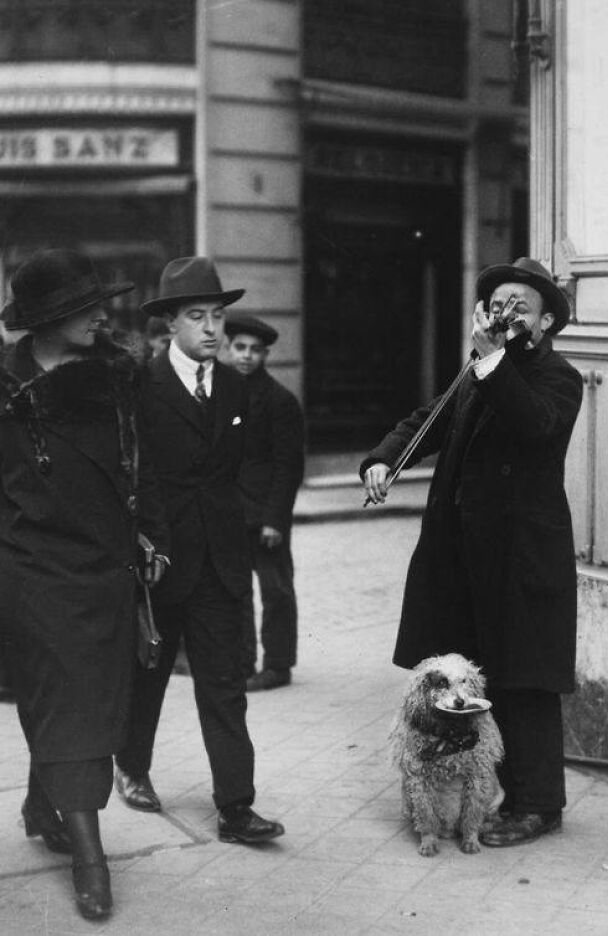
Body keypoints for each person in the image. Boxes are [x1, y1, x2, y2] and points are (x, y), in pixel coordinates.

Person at [361, 258, 583, 847]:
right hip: (464, 557)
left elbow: (534, 425)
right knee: (481, 677)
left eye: (522, 307)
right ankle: (489, 790)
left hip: (521, 558)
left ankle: (539, 805)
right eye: (500, 302)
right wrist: (384, 457)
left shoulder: (555, 376)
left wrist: (490, 362)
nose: (507, 313)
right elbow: (425, 422)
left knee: (523, 682)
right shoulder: (479, 373)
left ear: (545, 326)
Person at [0, 249, 169, 920]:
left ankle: (44, 804)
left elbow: (145, 466)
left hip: (109, 570)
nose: (106, 314)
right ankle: (90, 858)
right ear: (47, 320)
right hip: (32, 570)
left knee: (90, 702)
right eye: (88, 306)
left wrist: (152, 532)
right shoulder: (4, 390)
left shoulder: (121, 381)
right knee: (69, 699)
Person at [114, 257, 285, 845]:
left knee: (225, 685)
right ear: (169, 324)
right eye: (197, 317)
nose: (212, 328)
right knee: (151, 676)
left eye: (217, 315)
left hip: (222, 560)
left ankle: (236, 807)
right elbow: (139, 474)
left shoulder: (238, 386)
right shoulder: (144, 386)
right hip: (161, 560)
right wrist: (149, 540)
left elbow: (248, 465)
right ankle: (131, 766)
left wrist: (244, 517)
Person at [221, 313, 304, 691]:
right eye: (240, 348)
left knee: (276, 592)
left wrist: (275, 519)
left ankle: (278, 665)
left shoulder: (280, 401)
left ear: (266, 354)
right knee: (236, 592)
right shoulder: (219, 394)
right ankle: (241, 663)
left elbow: (289, 467)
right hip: (231, 514)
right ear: (228, 348)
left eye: (255, 350)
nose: (246, 356)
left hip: (266, 516)